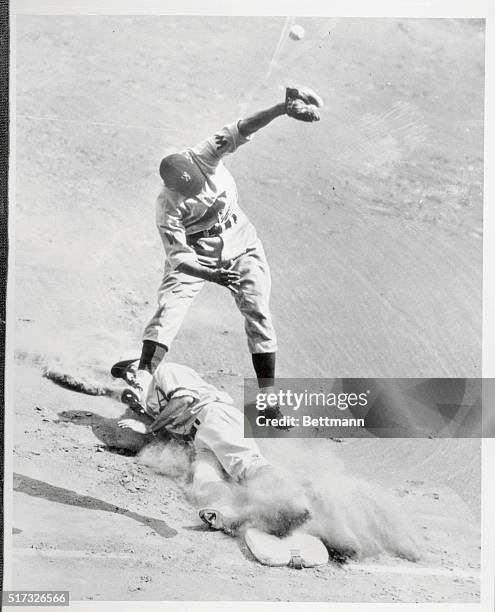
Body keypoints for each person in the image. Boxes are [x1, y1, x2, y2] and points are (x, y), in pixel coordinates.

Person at [113, 87, 323, 412]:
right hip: (197, 253)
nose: (200, 186)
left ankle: (267, 401)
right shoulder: (167, 206)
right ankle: (141, 379)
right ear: (172, 188)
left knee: (259, 314)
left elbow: (243, 127)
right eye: (190, 188)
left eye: (199, 179)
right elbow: (180, 259)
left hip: (241, 239)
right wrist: (210, 273)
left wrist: (282, 109)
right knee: (170, 308)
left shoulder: (205, 153)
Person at [117, 359, 311, 535]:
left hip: (214, 415)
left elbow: (184, 399)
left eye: (132, 369)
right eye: (125, 376)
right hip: (199, 438)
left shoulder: (165, 371)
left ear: (147, 364)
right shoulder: (150, 400)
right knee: (204, 478)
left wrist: (149, 428)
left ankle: (292, 498)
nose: (129, 376)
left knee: (245, 464)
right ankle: (230, 512)